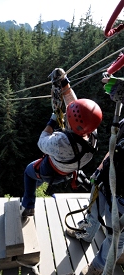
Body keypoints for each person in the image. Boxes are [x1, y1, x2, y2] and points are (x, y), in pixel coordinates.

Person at [21, 68, 103, 217]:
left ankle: (28, 206)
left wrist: (53, 120)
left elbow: (41, 142)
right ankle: (36, 185)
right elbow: (77, 108)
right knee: (36, 178)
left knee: (29, 172)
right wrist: (64, 83)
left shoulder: (61, 142)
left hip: (50, 170)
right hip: (67, 172)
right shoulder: (92, 136)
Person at [66, 75, 124, 275]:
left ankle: (98, 267)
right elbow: (116, 143)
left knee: (117, 235)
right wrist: (102, 167)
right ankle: (86, 232)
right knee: (96, 204)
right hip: (111, 174)